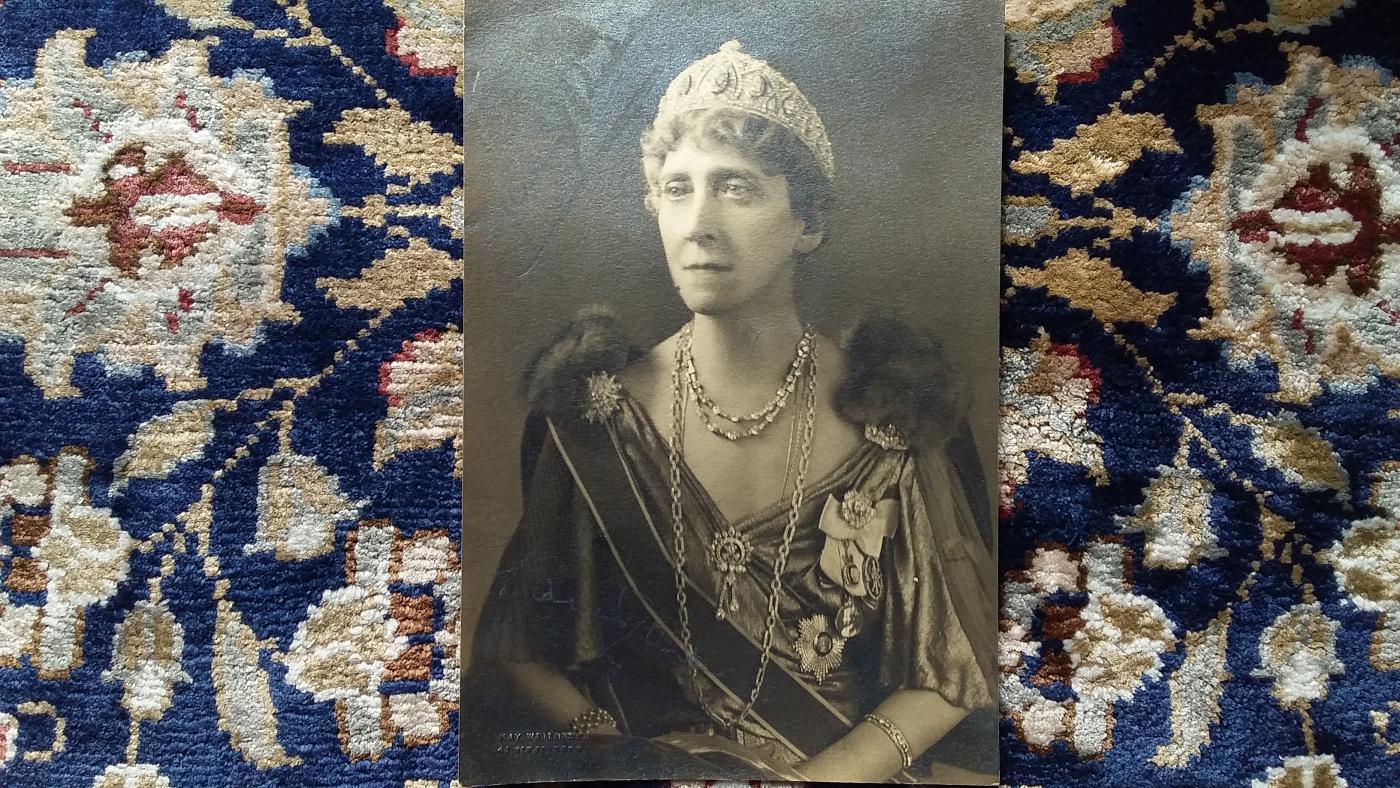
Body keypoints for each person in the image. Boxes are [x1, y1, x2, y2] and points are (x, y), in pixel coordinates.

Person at [463, 40, 996, 784]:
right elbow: (515, 650)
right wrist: (610, 744)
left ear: (805, 222)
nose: (700, 223)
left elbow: (952, 666)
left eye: (737, 188)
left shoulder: (892, 409)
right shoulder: (593, 415)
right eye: (677, 189)